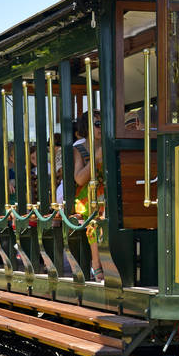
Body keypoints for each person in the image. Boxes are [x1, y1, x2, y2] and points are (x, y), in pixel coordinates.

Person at [72, 111, 104, 281]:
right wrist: (95, 160)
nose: (101, 128)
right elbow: (79, 179)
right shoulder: (79, 149)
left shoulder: (109, 144)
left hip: (107, 192)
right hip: (88, 195)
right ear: (87, 127)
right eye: (97, 124)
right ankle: (96, 263)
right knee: (95, 216)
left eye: (103, 124)